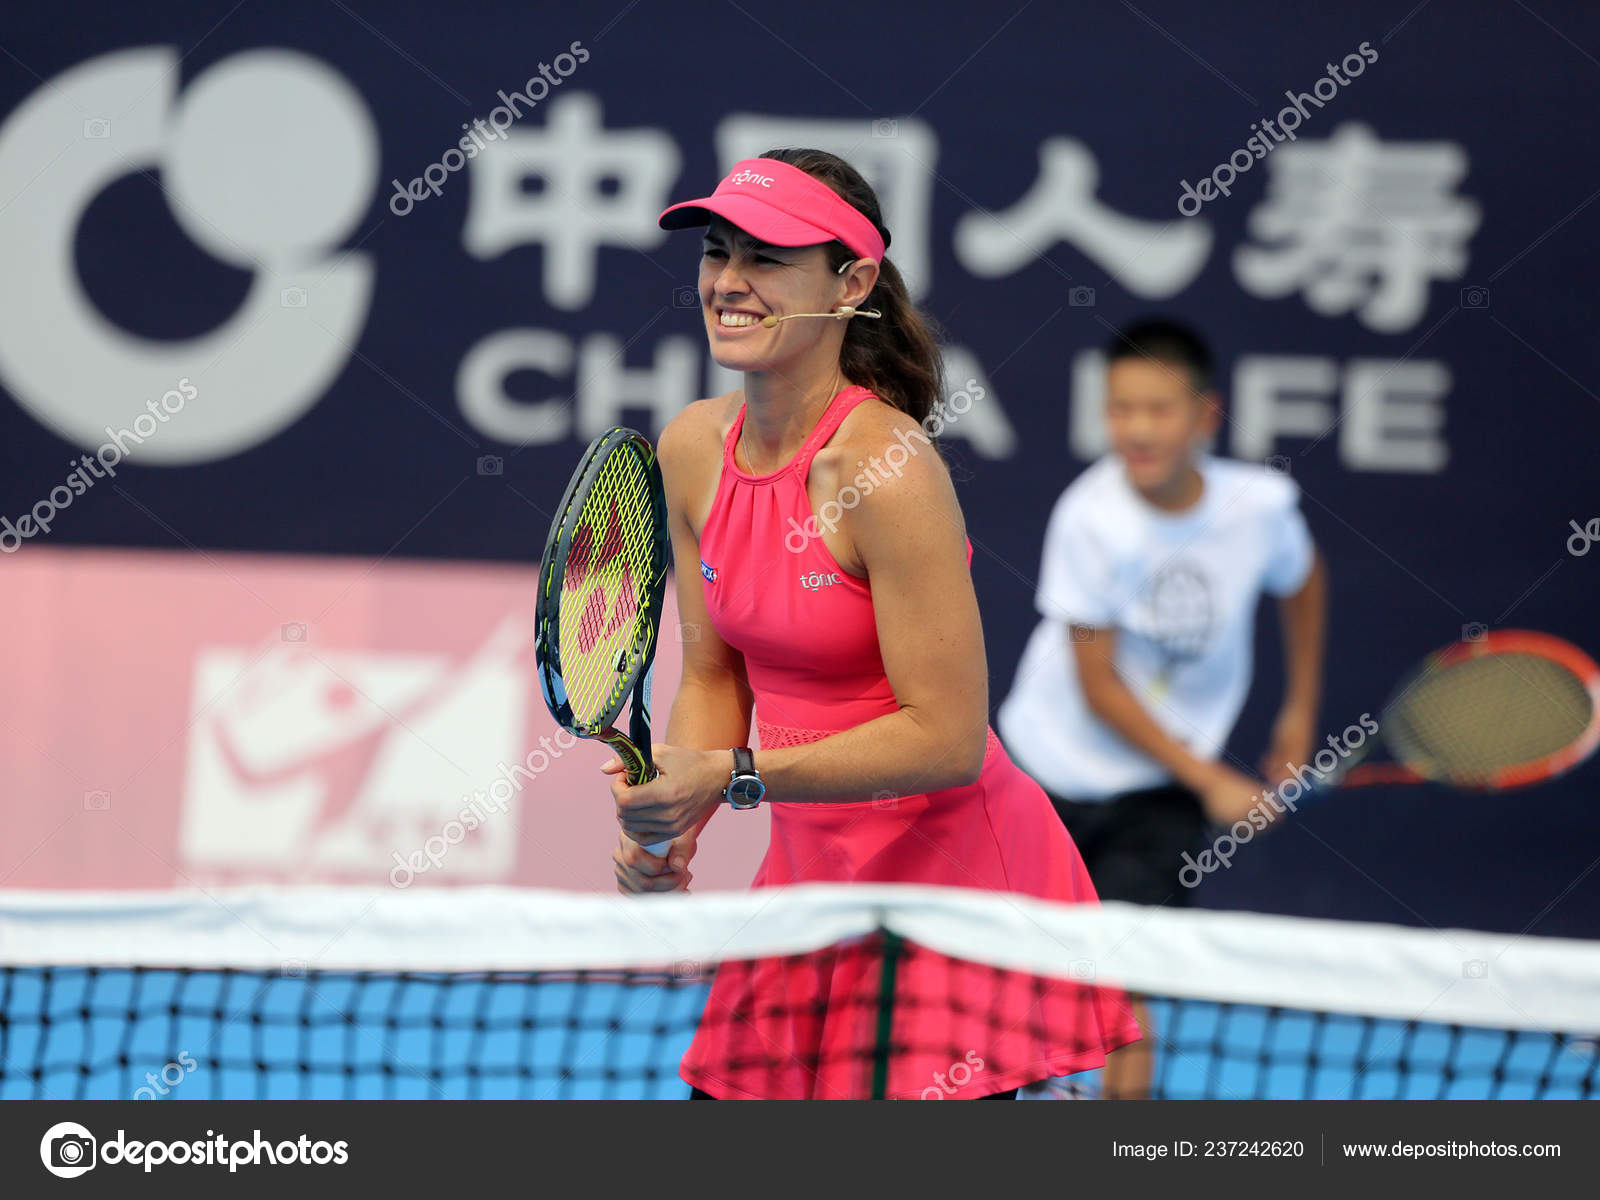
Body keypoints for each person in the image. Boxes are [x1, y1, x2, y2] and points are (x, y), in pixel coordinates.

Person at [601, 149, 1140, 1100]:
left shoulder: (883, 467)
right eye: (719, 253)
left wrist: (728, 777)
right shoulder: (689, 448)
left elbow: (948, 739)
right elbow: (717, 675)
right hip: (812, 871)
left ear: (850, 284)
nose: (728, 281)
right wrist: (673, 825)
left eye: (767, 259)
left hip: (950, 883)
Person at [997, 317, 1327, 1098]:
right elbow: (1098, 685)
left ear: (1206, 416)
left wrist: (1299, 713)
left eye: (1159, 409)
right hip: (1047, 771)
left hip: (1157, 795)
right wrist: (1210, 777)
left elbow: (1304, 582)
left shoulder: (1260, 505)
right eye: (1120, 409)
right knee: (1022, 974)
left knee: (1124, 979)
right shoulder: (1090, 518)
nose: (1138, 429)